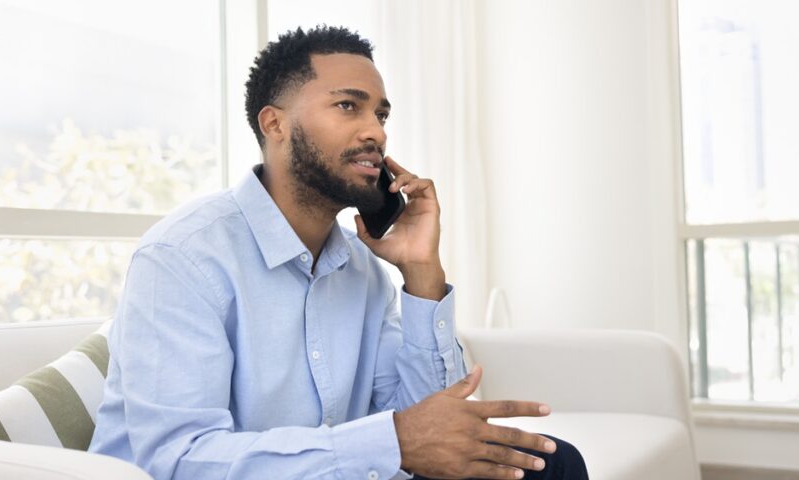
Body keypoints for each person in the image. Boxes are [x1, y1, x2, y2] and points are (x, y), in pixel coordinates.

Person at [89, 25, 588, 480]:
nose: (376, 130)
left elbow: (433, 432)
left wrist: (421, 272)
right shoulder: (182, 257)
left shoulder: (362, 268)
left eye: (381, 113)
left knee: (549, 464)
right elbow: (181, 461)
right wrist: (391, 443)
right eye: (349, 105)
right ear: (274, 125)